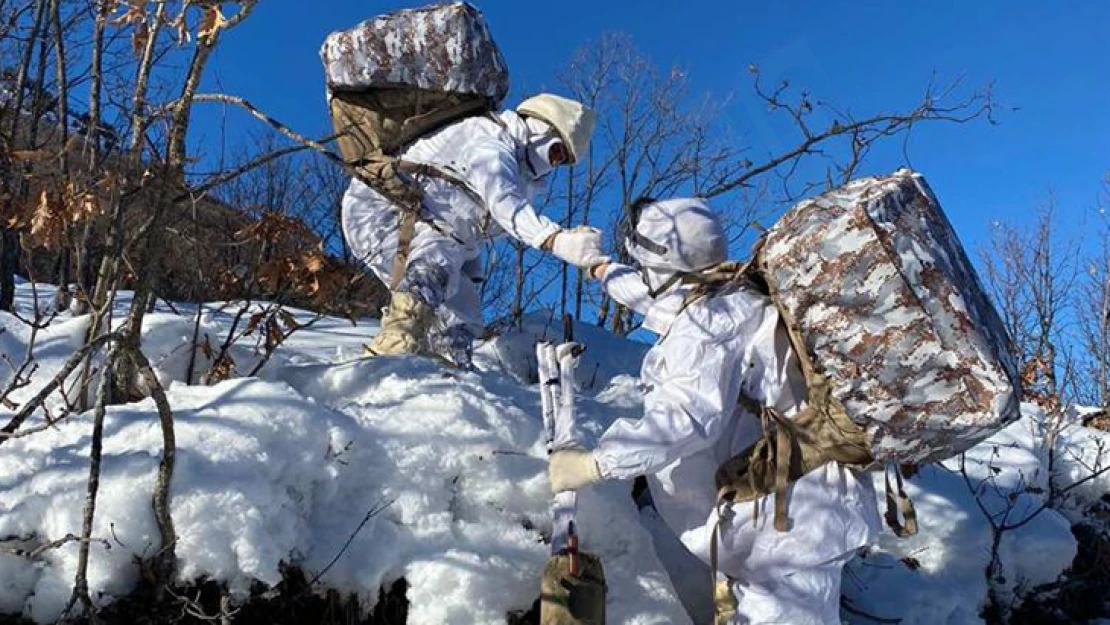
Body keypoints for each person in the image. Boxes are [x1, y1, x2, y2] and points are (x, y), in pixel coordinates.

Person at [549, 197, 881, 624]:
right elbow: (649, 298)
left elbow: (685, 421)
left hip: (792, 529)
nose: (645, 277)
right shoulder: (731, 296)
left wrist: (594, 463)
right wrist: (598, 267)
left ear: (662, 264)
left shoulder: (706, 325)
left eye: (646, 264)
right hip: (798, 514)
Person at [342, 93, 606, 367]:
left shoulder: (520, 173)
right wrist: (554, 239)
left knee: (464, 308)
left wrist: (470, 263)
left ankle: (451, 367)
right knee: (438, 259)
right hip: (380, 212)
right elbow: (503, 202)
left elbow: (471, 220)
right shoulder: (488, 140)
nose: (554, 164)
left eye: (562, 162)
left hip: (428, 224)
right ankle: (392, 348)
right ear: (540, 129)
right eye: (556, 152)